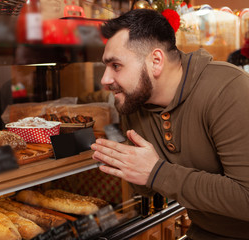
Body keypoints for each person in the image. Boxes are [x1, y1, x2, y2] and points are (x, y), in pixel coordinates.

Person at [90, 9, 249, 240]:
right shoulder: (134, 102)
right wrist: (130, 165)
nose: (104, 79)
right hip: (203, 232)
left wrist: (156, 172)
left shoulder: (228, 90)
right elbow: (146, 187)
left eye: (116, 65)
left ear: (156, 61)